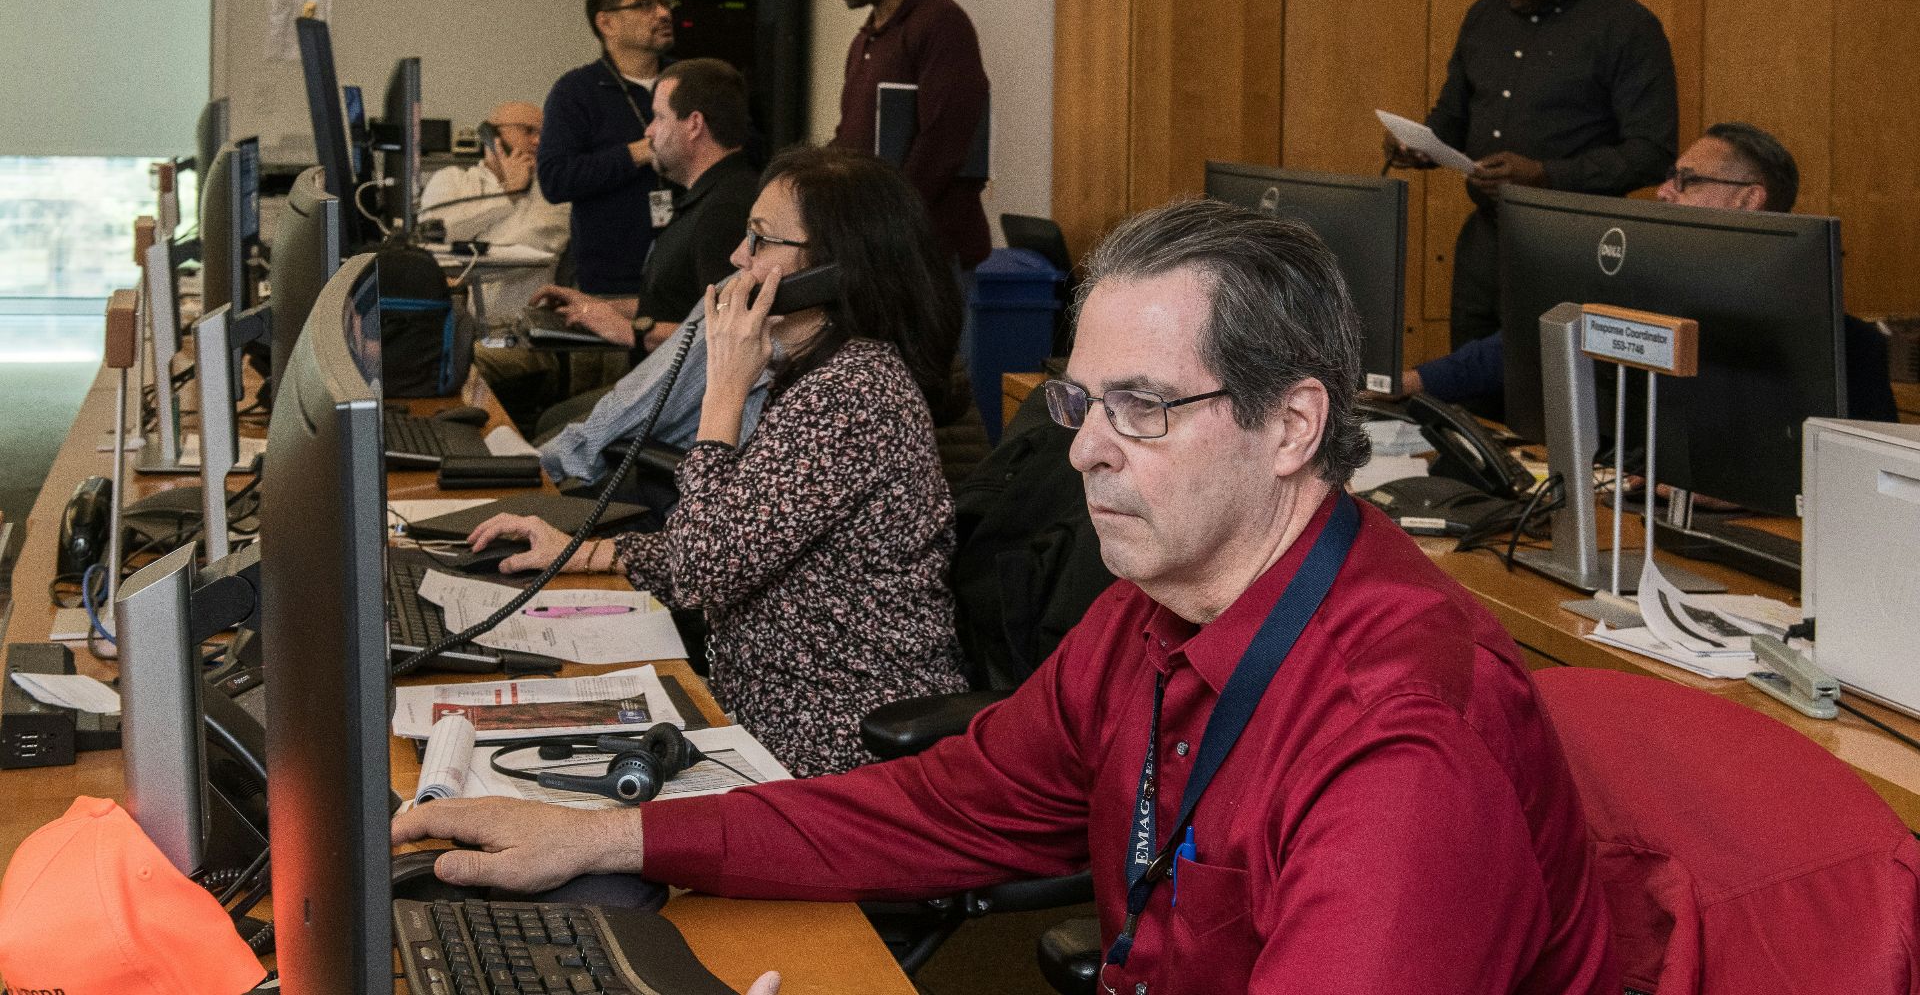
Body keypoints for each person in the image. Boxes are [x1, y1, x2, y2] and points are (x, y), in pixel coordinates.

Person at [396, 198, 1617, 994]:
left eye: (1143, 409)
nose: (1084, 451)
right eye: (1080, 405)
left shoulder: (1403, 744)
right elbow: (936, 807)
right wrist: (613, 836)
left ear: (1293, 423)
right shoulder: (1151, 622)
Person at [466, 147, 969, 779]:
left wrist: (725, 391)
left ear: (836, 269)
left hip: (835, 749)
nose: (738, 257)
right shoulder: (814, 377)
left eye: (760, 241)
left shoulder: (853, 394)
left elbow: (707, 566)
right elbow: (726, 543)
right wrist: (580, 550)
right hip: (763, 721)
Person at [1403, 122, 1901, 423]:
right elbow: (1535, 341)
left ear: (1749, 199)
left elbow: (1859, 471)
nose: (1664, 192)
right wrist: (1413, 380)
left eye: (1686, 181)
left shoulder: (1840, 342)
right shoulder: (1647, 289)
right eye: (1669, 177)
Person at [1388, 0, 1677, 348]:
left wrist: (1545, 174)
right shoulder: (1484, 17)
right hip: (1486, 241)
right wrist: (1419, 144)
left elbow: (1652, 152)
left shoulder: (1626, 25)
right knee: (1466, 390)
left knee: (1547, 390)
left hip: (1572, 246)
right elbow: (1452, 116)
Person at [531, 58, 763, 360]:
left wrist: (628, 331)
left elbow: (727, 331)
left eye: (659, 117)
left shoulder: (725, 209)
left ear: (694, 124)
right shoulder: (707, 198)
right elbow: (675, 304)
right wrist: (594, 306)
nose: (649, 132)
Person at [828, 0, 990, 270]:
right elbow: (851, 139)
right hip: (879, 250)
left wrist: (886, 218)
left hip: (928, 255)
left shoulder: (941, 24)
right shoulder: (864, 40)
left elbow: (945, 143)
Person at [539, 0, 678, 296]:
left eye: (665, 2)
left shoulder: (689, 81)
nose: (662, 13)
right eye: (645, 5)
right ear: (607, 23)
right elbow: (555, 178)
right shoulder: (577, 91)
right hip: (611, 281)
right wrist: (638, 154)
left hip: (687, 272)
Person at [417, 101, 569, 254]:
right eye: (528, 131)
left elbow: (540, 248)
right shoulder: (451, 179)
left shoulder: (553, 192)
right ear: (490, 134)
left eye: (544, 134)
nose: (538, 141)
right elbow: (433, 234)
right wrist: (508, 194)